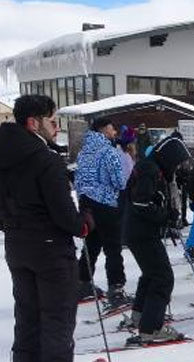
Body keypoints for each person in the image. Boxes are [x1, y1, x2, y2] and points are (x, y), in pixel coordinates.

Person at [0, 95, 94, 362]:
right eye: (52, 121)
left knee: (27, 323)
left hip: (18, 248)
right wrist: (84, 221)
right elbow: (65, 216)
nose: (55, 127)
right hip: (50, 253)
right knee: (56, 326)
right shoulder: (45, 159)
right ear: (34, 123)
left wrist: (11, 224)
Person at [122, 129, 191, 344]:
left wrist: (165, 216)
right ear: (169, 157)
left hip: (137, 230)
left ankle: (142, 315)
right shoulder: (150, 170)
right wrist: (166, 216)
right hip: (141, 231)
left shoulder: (150, 166)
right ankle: (151, 328)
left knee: (151, 274)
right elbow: (142, 203)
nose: (177, 167)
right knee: (163, 277)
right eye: (177, 162)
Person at [74, 117, 127, 306]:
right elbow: (119, 182)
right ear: (104, 129)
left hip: (86, 204)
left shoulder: (83, 152)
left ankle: (83, 283)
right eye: (113, 129)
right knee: (113, 248)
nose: (114, 133)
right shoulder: (108, 152)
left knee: (91, 244)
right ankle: (116, 289)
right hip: (106, 204)